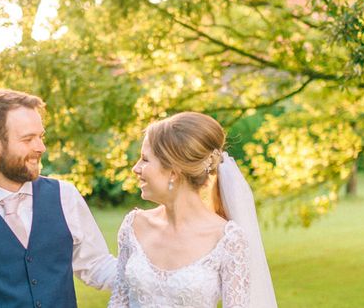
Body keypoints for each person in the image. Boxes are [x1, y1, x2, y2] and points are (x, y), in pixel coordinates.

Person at [0, 89, 117, 308]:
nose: (40, 147)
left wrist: (149, 276)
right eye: (28, 139)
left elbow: (96, 264)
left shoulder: (65, 196)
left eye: (41, 137)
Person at [108, 112, 278, 308]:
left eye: (145, 160)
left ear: (173, 172)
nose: (135, 168)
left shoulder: (227, 239)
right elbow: (119, 301)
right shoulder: (134, 226)